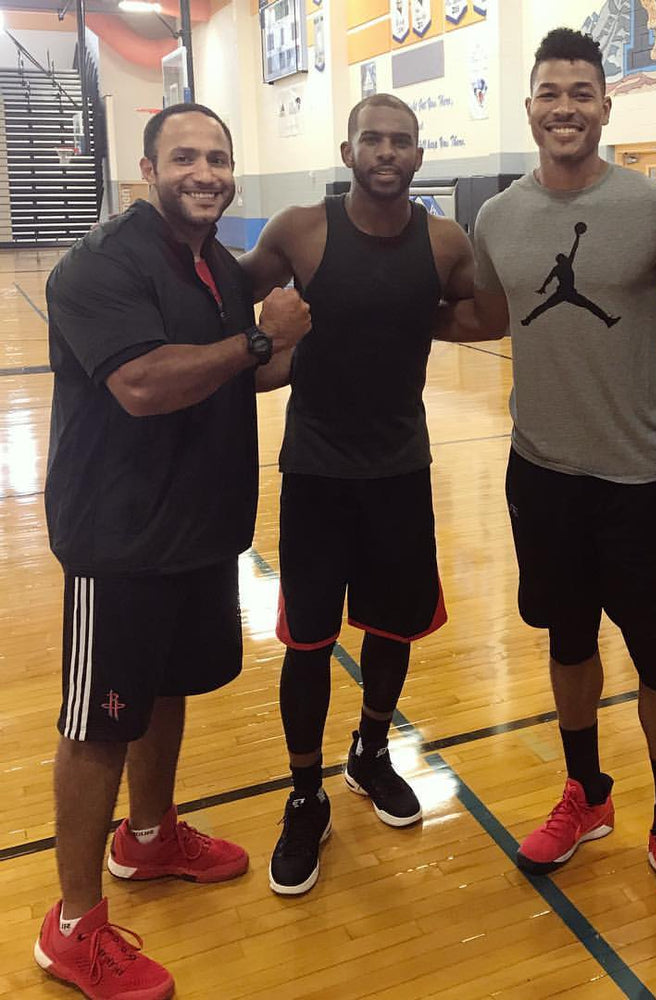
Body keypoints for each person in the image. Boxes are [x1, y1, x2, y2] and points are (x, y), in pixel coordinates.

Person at [34, 103, 311, 1000]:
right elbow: (145, 383)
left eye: (218, 157)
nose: (205, 172)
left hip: (197, 528)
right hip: (118, 537)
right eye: (185, 157)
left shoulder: (217, 266)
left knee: (166, 690)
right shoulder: (99, 265)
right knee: (99, 724)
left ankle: (149, 837)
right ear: (148, 169)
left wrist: (329, 341)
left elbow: (241, 369)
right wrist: (262, 336)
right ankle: (72, 927)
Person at [455, 28, 656, 930]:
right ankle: (587, 792)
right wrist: (368, 315)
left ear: (606, 105)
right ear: (529, 107)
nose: (564, 107)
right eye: (549, 93)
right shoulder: (497, 219)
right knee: (567, 642)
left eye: (580, 92)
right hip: (543, 474)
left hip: (640, 476)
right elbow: (488, 313)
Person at [240, 93, 484, 897]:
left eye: (401, 141)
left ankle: (370, 753)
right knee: (308, 642)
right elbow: (225, 291)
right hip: (315, 473)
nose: (386, 151)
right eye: (371, 139)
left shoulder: (445, 241)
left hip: (399, 471)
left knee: (392, 628)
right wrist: (253, 352)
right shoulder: (300, 230)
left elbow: (482, 311)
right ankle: (304, 793)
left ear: (419, 156)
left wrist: (417, 320)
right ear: (347, 153)